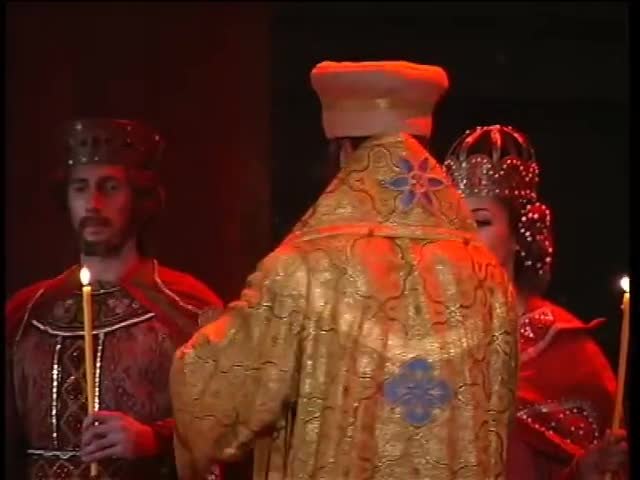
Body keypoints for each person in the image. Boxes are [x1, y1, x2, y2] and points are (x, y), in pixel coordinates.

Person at [170, 61, 520, 479]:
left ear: (344, 152)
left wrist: (209, 332)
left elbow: (220, 399)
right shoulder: (488, 276)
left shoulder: (302, 268)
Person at [5, 118, 224, 479]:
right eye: (80, 188)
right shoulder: (26, 313)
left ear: (138, 198)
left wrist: (153, 439)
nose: (92, 203)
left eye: (109, 187)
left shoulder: (187, 308)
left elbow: (228, 422)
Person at [443, 124, 628, 479]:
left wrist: (584, 470)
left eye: (480, 222)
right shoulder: (425, 332)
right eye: (454, 224)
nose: (464, 238)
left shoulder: (565, 350)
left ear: (518, 234)